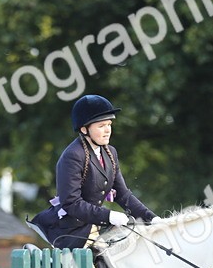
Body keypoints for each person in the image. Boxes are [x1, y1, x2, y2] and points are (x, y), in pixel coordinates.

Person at [29, 94, 158, 252]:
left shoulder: (110, 152)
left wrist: (151, 218)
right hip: (70, 232)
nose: (107, 130)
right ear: (84, 129)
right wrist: (109, 216)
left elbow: (123, 195)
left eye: (109, 124)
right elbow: (71, 203)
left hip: (96, 227)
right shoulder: (73, 155)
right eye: (101, 126)